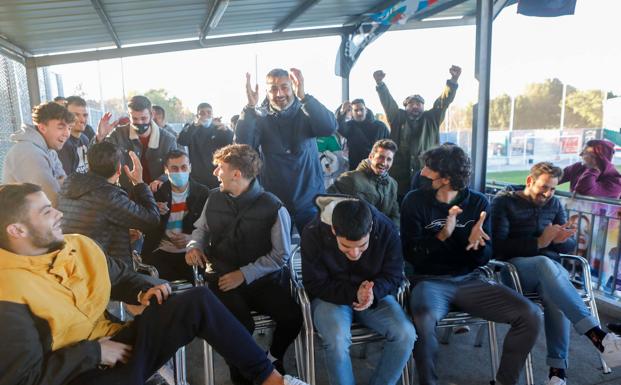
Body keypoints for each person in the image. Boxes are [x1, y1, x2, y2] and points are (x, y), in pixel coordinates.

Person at [0, 182, 308, 385]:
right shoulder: (8, 292)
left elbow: (121, 277)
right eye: (45, 211)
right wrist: (94, 353)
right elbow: (24, 380)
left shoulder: (77, 245)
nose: (59, 213)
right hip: (80, 374)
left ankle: (273, 381)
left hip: (118, 347)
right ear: (17, 230)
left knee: (197, 300)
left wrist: (143, 288)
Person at [401, 144, 541, 385]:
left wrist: (476, 246)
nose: (422, 172)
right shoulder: (414, 201)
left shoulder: (477, 203)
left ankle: (505, 381)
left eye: (429, 168)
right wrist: (442, 235)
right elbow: (411, 255)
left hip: (470, 279)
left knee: (531, 315)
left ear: (445, 178)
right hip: (429, 281)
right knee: (422, 318)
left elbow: (485, 257)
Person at [491, 161, 621, 385]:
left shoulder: (554, 204)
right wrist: (541, 241)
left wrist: (561, 241)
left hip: (549, 273)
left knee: (555, 296)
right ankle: (598, 337)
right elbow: (498, 247)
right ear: (530, 181)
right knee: (544, 264)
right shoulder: (503, 202)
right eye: (544, 187)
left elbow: (568, 245)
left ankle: (557, 374)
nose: (548, 193)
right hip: (513, 271)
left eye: (552, 188)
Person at [185, 144, 303, 384]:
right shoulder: (213, 197)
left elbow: (280, 255)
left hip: (262, 280)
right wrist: (193, 246)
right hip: (221, 278)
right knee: (239, 327)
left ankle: (271, 360)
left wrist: (244, 274)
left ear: (236, 174)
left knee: (292, 316)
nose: (216, 172)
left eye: (220, 168)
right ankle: (241, 379)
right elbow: (201, 230)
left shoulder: (274, 206)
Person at [302, 197, 415, 385]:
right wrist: (356, 293)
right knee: (336, 340)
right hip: (330, 297)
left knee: (405, 334)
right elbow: (314, 283)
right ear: (333, 230)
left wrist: (374, 291)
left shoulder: (386, 229)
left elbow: (394, 275)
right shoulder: (313, 232)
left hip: (374, 295)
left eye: (362, 246)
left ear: (370, 229)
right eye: (346, 247)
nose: (354, 254)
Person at [236, 68, 337, 232]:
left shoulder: (306, 111)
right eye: (273, 89)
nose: (279, 93)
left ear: (293, 87)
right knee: (279, 255)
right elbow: (242, 147)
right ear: (267, 92)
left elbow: (328, 127)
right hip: (275, 203)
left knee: (317, 252)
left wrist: (305, 97)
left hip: (311, 200)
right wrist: (249, 108)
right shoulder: (260, 117)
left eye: (284, 87)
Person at [58, 141, 160, 266]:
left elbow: (90, 227)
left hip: (72, 265)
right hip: (104, 272)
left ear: (89, 165)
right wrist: (139, 183)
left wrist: (122, 233)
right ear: (119, 169)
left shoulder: (69, 184)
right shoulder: (109, 195)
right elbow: (152, 218)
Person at [374, 66, 460, 198]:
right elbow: (388, 103)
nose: (415, 106)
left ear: (423, 106)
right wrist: (380, 84)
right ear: (405, 107)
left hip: (427, 174)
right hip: (400, 177)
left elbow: (443, 102)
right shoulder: (397, 118)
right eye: (411, 103)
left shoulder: (432, 118)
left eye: (418, 104)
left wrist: (453, 81)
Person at [142, 149, 209, 282]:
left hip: (192, 251)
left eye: (184, 167)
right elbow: (144, 227)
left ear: (190, 167)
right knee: (159, 290)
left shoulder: (203, 193)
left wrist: (191, 238)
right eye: (174, 168)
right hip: (161, 251)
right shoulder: (156, 193)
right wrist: (153, 211)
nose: (180, 172)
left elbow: (210, 227)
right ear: (166, 170)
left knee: (196, 288)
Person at [95, 95, 177, 191]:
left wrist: (161, 180)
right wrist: (100, 138)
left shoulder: (168, 139)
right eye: (135, 119)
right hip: (127, 195)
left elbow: (175, 168)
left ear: (152, 114)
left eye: (143, 118)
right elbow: (98, 161)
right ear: (129, 115)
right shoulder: (118, 134)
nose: (140, 122)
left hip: (157, 194)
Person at [2, 101, 72, 207]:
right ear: (42, 128)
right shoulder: (28, 152)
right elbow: (53, 201)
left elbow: (68, 187)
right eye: (60, 127)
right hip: (21, 222)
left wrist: (59, 184)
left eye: (69, 128)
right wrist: (59, 183)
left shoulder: (50, 151)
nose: (67, 133)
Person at [328, 139, 400, 228]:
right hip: (356, 237)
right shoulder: (350, 179)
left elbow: (395, 214)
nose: (384, 163)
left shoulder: (393, 184)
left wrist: (394, 232)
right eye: (380, 157)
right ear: (371, 157)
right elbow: (329, 204)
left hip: (382, 237)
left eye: (389, 159)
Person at [177, 102, 234, 189]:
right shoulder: (192, 128)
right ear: (197, 116)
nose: (205, 115)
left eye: (208, 112)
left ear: (212, 114)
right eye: (202, 113)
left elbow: (231, 145)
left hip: (217, 174)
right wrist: (195, 125)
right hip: (197, 176)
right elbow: (182, 141)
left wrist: (227, 131)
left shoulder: (219, 128)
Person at [335, 99, 389, 171]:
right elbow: (338, 127)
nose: (359, 113)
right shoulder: (349, 126)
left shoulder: (380, 126)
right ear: (352, 112)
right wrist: (341, 112)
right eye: (356, 110)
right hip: (356, 168)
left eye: (361, 109)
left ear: (366, 110)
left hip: (377, 167)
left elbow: (389, 147)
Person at [58, 96, 90, 175]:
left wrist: (100, 138)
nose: (82, 120)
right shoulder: (61, 143)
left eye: (85, 115)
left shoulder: (85, 139)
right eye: (76, 115)